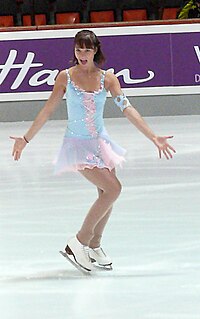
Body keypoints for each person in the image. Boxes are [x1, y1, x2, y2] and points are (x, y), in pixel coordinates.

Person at [11, 29, 176, 272]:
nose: (82, 54)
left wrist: (153, 136)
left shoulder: (107, 78)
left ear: (95, 50)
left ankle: (95, 245)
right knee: (114, 189)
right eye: (78, 49)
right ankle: (79, 241)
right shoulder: (65, 78)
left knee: (106, 193)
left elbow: (127, 108)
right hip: (78, 145)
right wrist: (25, 139)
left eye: (87, 49)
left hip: (101, 143)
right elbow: (48, 110)